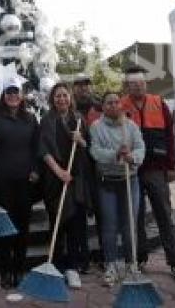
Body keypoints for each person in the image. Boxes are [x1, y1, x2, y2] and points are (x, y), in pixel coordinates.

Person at [120, 67, 175, 285]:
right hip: (132, 171)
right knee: (136, 218)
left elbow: (170, 137)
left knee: (164, 216)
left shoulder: (159, 104)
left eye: (141, 82)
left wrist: (171, 166)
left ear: (146, 84)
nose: (137, 86)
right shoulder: (121, 106)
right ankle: (138, 259)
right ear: (127, 86)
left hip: (156, 170)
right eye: (133, 83)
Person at [39, 82, 92, 290]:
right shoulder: (47, 120)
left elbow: (90, 147)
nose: (61, 99)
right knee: (58, 224)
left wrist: (81, 141)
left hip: (77, 180)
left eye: (65, 95)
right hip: (56, 180)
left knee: (76, 225)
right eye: (58, 96)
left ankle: (73, 268)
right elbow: (43, 150)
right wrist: (59, 172)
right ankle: (57, 266)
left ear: (70, 98)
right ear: (52, 99)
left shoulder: (79, 120)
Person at [89, 91, 145, 287]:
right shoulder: (96, 127)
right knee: (109, 226)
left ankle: (131, 264)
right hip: (107, 182)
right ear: (103, 107)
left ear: (120, 105)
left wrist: (132, 157)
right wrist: (116, 153)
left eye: (116, 102)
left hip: (130, 180)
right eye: (108, 103)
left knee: (129, 225)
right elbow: (95, 151)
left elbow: (140, 147)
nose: (113, 105)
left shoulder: (130, 126)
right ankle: (111, 265)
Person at [0, 79, 40, 289]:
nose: (12, 96)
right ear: (3, 96)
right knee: (4, 226)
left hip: (25, 180)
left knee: (22, 226)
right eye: (8, 92)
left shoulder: (30, 119)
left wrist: (37, 170)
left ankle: (19, 269)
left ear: (21, 96)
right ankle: (5, 270)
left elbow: (38, 147)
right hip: (2, 179)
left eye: (15, 92)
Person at [72, 73, 102, 273]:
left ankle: (103, 254)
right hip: (78, 169)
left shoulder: (100, 108)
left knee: (102, 214)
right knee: (79, 214)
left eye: (86, 85)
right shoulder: (68, 107)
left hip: (99, 168)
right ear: (74, 88)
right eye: (79, 85)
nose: (83, 89)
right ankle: (81, 257)